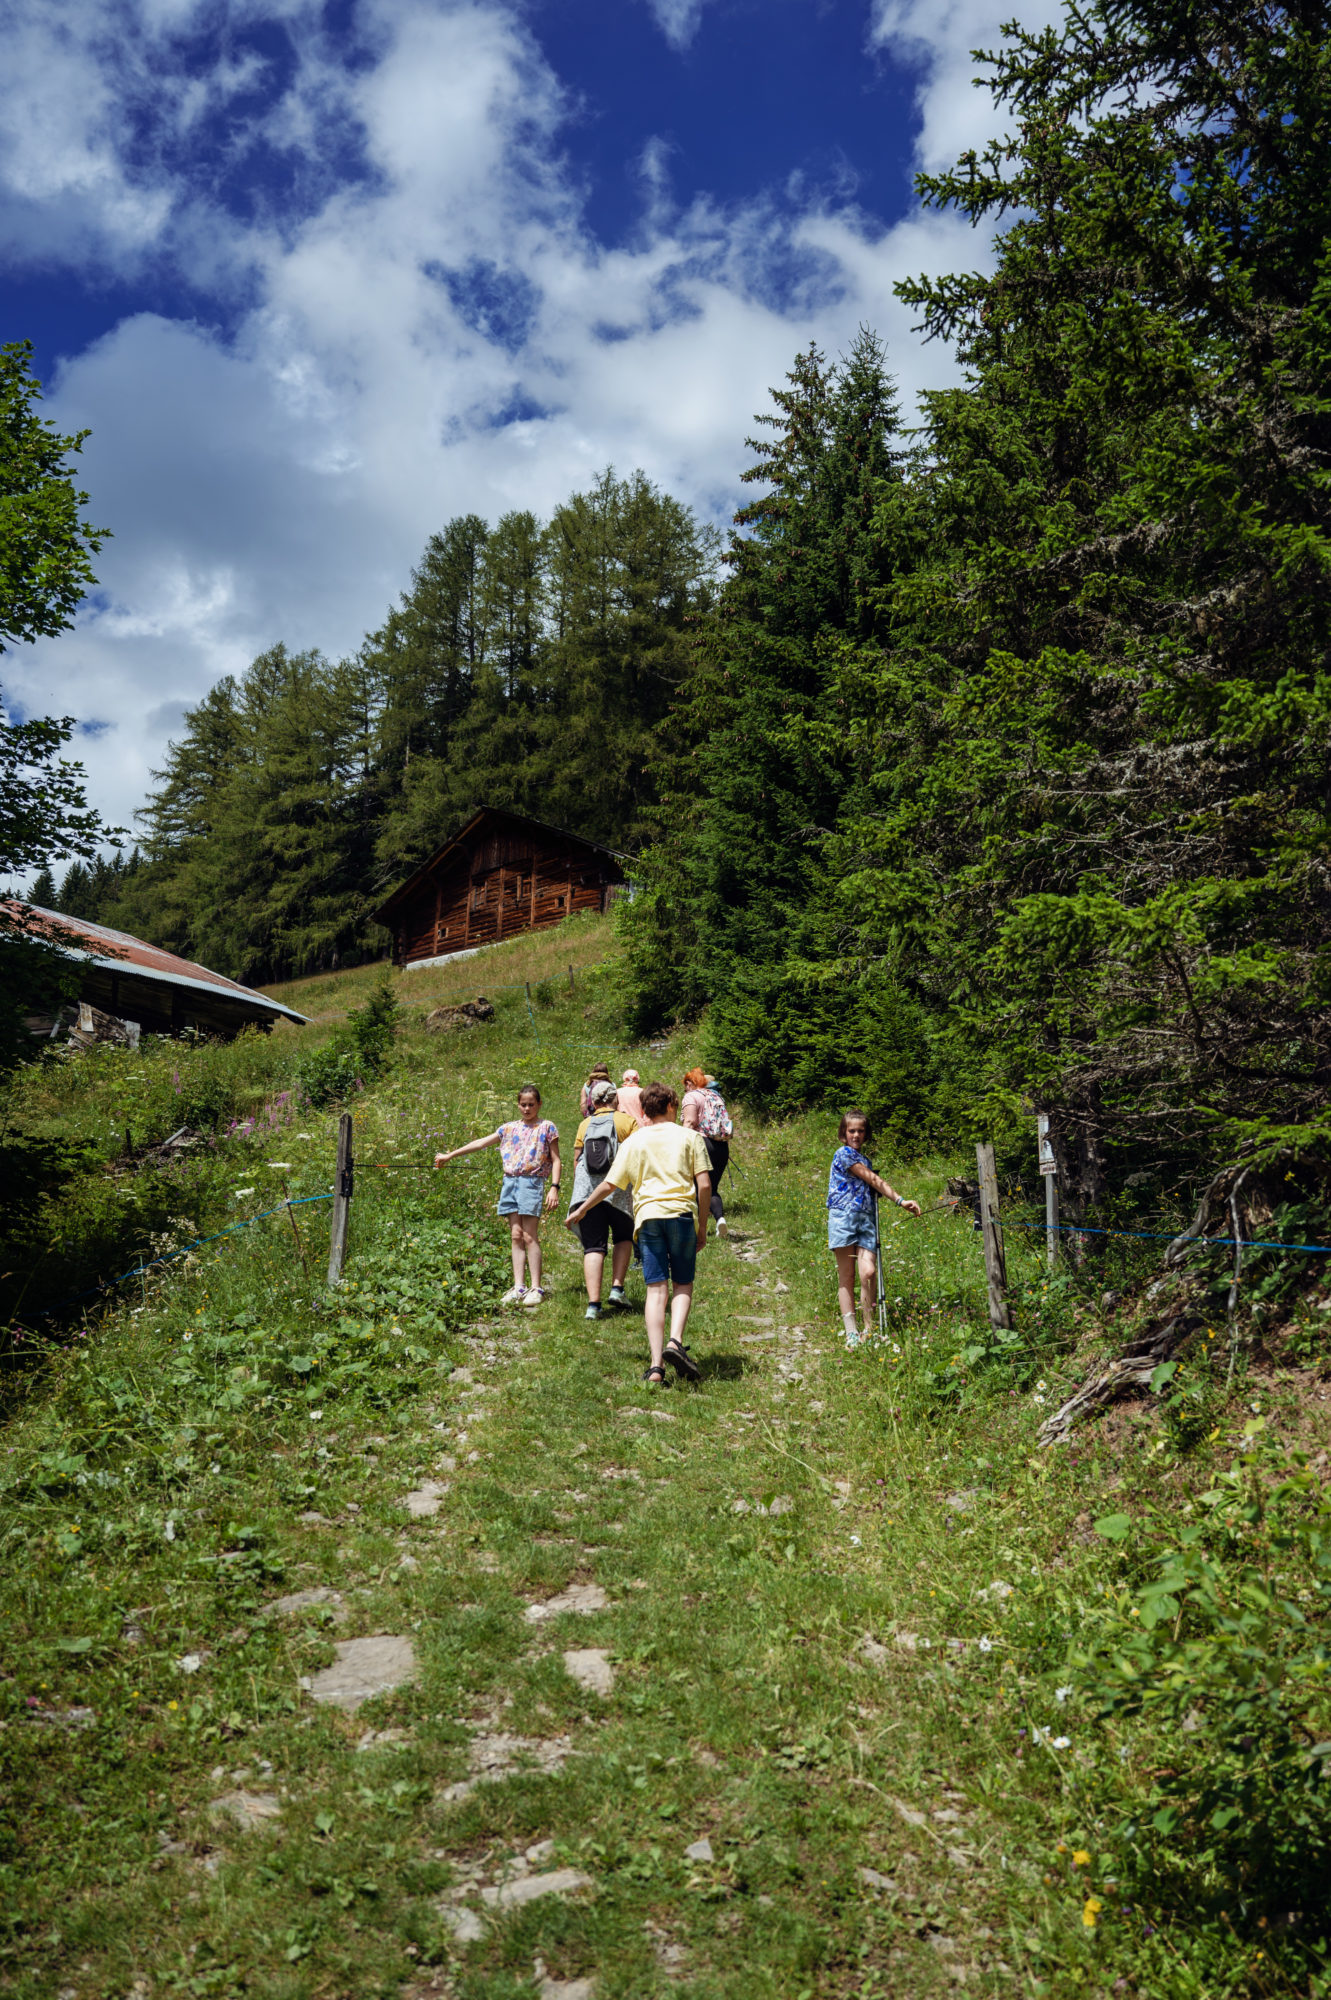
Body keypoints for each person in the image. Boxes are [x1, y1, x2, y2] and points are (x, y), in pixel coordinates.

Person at [567, 1079, 711, 1389]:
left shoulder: (635, 1141)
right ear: (671, 1105)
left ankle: (656, 1366)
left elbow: (609, 1184)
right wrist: (702, 1227)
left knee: (655, 1289)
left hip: (648, 1220)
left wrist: (582, 1209)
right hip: (681, 1216)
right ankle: (675, 1341)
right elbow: (704, 1186)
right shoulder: (690, 1137)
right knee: (682, 1283)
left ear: (644, 1110)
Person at [434, 1084, 562, 1308]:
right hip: (510, 1182)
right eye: (523, 1104)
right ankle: (519, 1286)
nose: (527, 1108)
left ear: (539, 1104)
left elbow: (556, 1159)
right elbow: (480, 1143)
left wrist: (554, 1187)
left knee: (529, 1235)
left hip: (531, 1182)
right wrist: (450, 1155)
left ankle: (536, 1288)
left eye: (531, 1104)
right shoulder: (508, 1128)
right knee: (516, 1235)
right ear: (518, 1105)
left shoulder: (546, 1127)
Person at [827, 1110, 921, 1347]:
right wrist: (900, 1200)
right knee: (847, 1276)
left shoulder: (865, 1160)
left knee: (868, 1273)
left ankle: (869, 1330)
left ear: (866, 1134)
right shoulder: (843, 1154)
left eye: (860, 1131)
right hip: (843, 1219)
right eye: (851, 1131)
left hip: (866, 1221)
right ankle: (851, 1332)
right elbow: (872, 1180)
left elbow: (872, 1183)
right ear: (844, 1134)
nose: (856, 1135)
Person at [570, 1080, 638, 1319]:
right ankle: (617, 1289)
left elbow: (577, 1160)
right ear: (615, 1099)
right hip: (619, 1190)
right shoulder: (627, 1122)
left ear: (594, 1101)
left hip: (588, 1193)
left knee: (593, 1246)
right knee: (623, 1237)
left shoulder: (584, 1124)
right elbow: (636, 1155)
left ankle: (593, 1306)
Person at [681, 1067, 734, 1238]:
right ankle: (720, 1220)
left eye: (685, 1085)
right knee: (712, 1187)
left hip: (702, 1143)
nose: (685, 1088)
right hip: (721, 1145)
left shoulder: (691, 1096)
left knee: (697, 1186)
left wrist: (680, 1142)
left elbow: (690, 1121)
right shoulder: (716, 1096)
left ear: (690, 1083)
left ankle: (695, 1228)